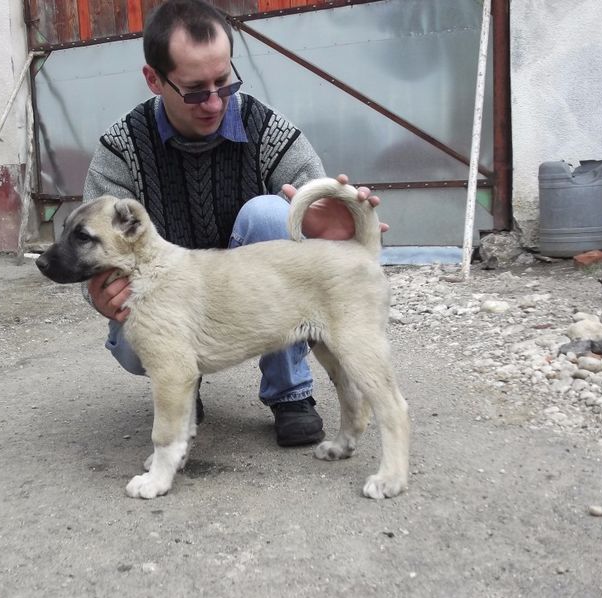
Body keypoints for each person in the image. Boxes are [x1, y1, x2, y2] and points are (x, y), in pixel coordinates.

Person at [81, 0, 380, 446]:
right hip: (174, 303)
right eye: (195, 90)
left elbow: (320, 226)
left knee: (271, 215)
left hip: (249, 298)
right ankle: (180, 378)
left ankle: (290, 392)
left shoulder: (269, 131)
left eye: (224, 82)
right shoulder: (122, 150)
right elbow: (91, 249)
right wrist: (99, 293)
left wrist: (336, 228)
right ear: (154, 79)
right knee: (132, 334)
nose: (216, 102)